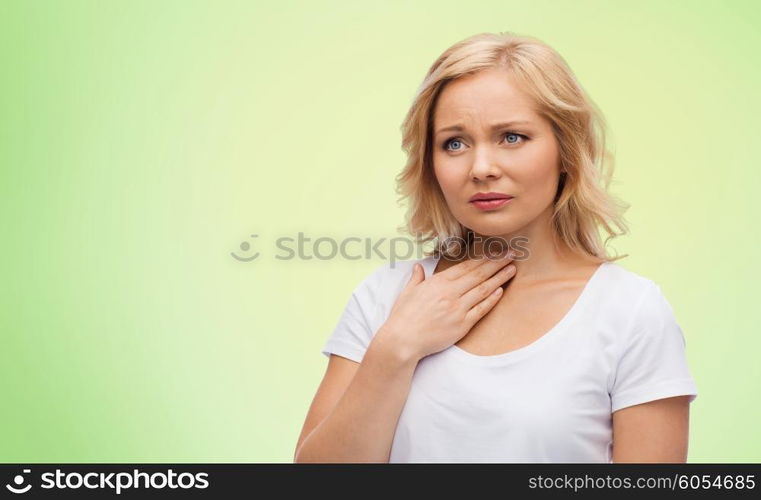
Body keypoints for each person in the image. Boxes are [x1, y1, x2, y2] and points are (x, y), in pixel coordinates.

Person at [294, 32, 698, 463]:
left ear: (566, 149)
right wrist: (396, 348)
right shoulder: (386, 298)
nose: (481, 168)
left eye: (511, 137)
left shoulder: (629, 311)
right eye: (454, 143)